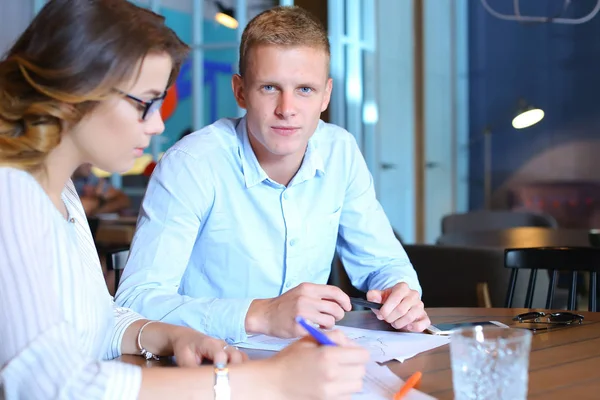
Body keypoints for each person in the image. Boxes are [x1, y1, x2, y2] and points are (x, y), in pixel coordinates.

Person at [0, 1, 369, 399]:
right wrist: (268, 381)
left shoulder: (63, 194)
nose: (158, 123)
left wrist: (169, 335)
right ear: (75, 91)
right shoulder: (11, 191)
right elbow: (48, 385)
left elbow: (97, 322)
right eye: (145, 103)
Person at [116, 5, 431, 344]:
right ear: (240, 91)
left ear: (326, 94)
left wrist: (401, 293)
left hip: (308, 363)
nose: (287, 109)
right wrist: (261, 315)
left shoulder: (340, 151)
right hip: (211, 365)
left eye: (305, 90)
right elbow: (135, 302)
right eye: (269, 88)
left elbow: (384, 263)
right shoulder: (192, 163)